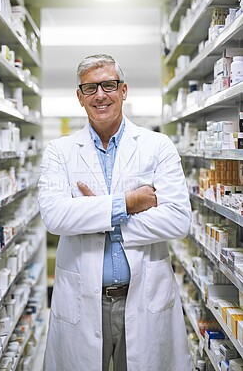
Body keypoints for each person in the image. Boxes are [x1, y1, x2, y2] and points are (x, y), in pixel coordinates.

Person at [38, 54, 192, 371]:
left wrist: (100, 216)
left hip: (144, 297)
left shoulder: (158, 146)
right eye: (90, 87)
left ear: (123, 90)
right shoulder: (59, 152)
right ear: (80, 97)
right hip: (82, 301)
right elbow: (54, 217)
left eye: (108, 85)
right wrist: (129, 203)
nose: (100, 95)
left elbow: (178, 219)